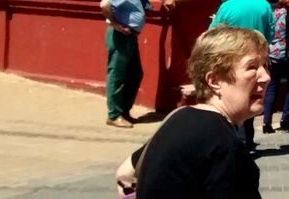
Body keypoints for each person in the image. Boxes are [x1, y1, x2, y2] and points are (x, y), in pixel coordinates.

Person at [115, 26, 269, 198]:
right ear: (214, 81)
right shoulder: (226, 148)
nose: (266, 76)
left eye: (265, 65)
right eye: (252, 67)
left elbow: (125, 173)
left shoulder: (178, 117)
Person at [99, 0, 175, 128]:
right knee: (117, 75)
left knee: (135, 74)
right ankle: (114, 115)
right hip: (121, 35)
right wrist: (116, 24)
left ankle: (124, 111)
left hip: (130, 36)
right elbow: (104, 5)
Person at [210, 0, 274, 151]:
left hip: (234, 60)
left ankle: (239, 140)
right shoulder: (264, 5)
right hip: (258, 60)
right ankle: (248, 138)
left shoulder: (227, 7)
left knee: (235, 97)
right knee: (254, 95)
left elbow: (213, 33)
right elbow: (270, 34)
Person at [262, 0, 289, 134]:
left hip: (272, 55)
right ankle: (285, 119)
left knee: (272, 88)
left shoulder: (272, 14)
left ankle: (267, 122)